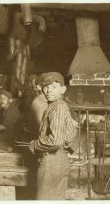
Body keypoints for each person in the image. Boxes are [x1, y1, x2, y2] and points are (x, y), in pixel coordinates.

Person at [28, 72, 78, 200]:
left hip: (51, 162)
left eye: (54, 87)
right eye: (46, 87)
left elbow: (55, 142)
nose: (49, 90)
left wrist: (35, 144)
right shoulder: (58, 106)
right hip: (58, 160)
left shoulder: (58, 107)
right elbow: (70, 135)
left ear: (63, 89)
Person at [25, 73, 48, 140]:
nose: (50, 90)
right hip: (39, 140)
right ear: (39, 87)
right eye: (46, 86)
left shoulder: (45, 101)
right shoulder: (39, 103)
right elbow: (41, 129)